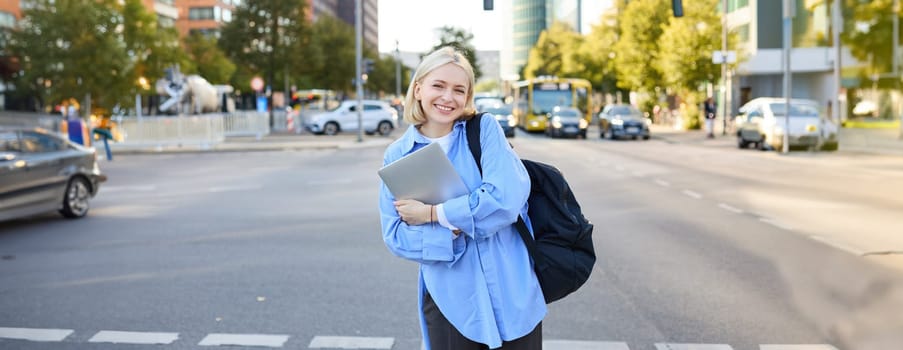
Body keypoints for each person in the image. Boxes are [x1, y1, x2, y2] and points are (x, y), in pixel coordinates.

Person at [378, 47, 545, 350]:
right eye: (438, 86)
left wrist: (434, 215)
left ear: (468, 96)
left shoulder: (484, 131)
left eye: (459, 90)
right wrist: (453, 234)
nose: (448, 97)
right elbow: (396, 236)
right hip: (450, 302)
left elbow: (504, 201)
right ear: (418, 89)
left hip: (513, 295)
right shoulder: (397, 155)